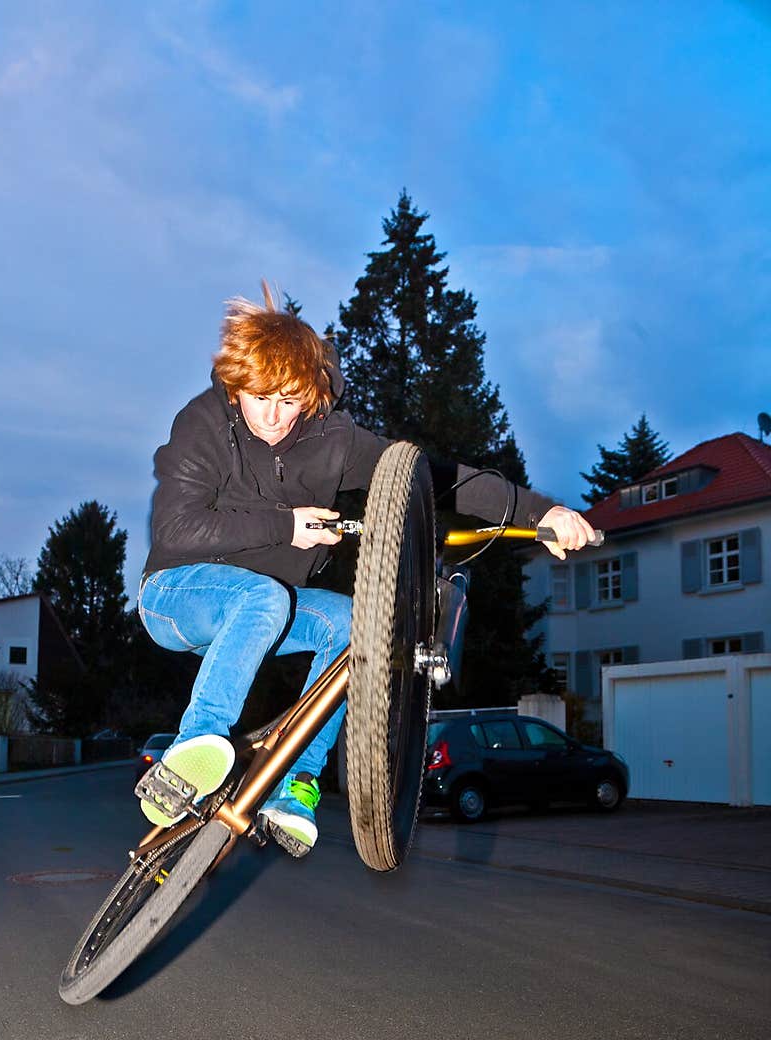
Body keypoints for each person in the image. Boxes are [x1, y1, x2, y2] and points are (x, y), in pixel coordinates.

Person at [137, 284, 595, 855]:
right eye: (260, 400)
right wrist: (286, 525)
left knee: (354, 625)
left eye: (289, 401)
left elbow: (437, 476)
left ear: (310, 394)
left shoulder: (335, 441)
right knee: (263, 598)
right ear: (236, 387)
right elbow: (176, 529)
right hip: (177, 596)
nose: (275, 417)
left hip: (266, 610)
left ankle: (296, 783)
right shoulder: (202, 424)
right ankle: (193, 752)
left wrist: (541, 510)